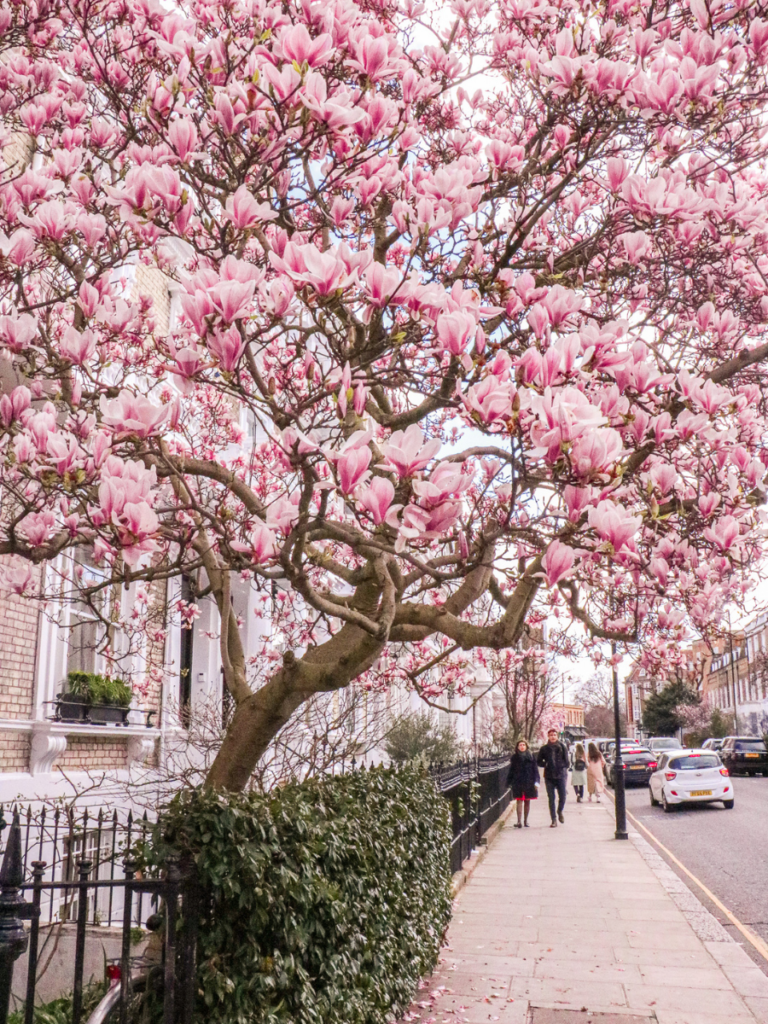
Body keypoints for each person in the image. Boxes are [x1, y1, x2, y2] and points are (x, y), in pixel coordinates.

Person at [537, 728, 569, 827]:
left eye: (554, 735)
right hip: (549, 776)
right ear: (548, 736)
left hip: (560, 775)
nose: (553, 737)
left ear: (557, 736)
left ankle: (559, 811)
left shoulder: (562, 747)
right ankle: (553, 819)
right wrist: (545, 764)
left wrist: (562, 766)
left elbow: (567, 762)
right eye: (551, 735)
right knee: (551, 798)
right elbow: (538, 761)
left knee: (563, 796)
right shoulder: (544, 748)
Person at [508, 738, 540, 828]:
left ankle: (526, 821)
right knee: (519, 800)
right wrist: (509, 782)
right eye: (520, 745)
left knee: (527, 801)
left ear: (526, 746)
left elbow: (535, 770)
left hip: (529, 781)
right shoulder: (515, 757)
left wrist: (537, 781)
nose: (522, 747)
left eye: (523, 745)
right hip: (518, 781)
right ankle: (519, 821)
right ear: (517, 747)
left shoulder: (531, 756)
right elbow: (511, 770)